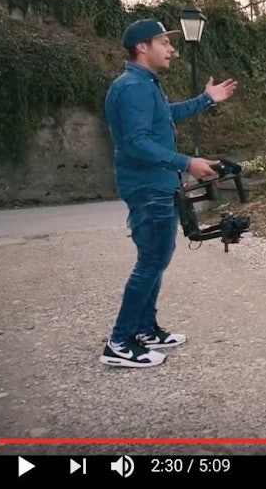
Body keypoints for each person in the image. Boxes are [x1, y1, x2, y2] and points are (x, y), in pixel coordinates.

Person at [100, 18, 238, 368]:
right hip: (148, 187)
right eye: (164, 42)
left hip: (156, 185)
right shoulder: (132, 87)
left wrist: (206, 99)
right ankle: (118, 342)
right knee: (151, 262)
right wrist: (186, 161)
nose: (172, 48)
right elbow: (136, 143)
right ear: (142, 47)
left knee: (156, 259)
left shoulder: (145, 84)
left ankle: (144, 329)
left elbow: (166, 115)